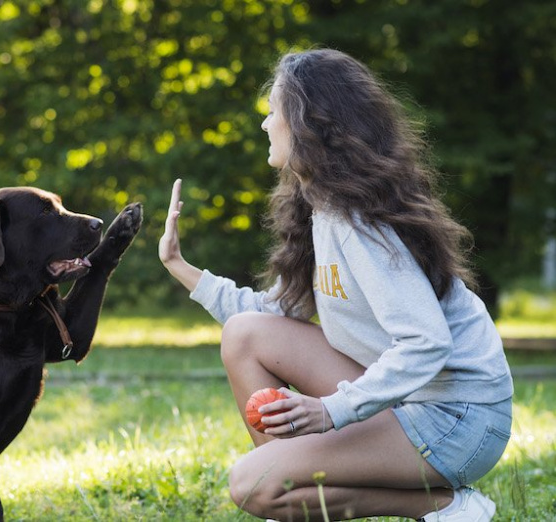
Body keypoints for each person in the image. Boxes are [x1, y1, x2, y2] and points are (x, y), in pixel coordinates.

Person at [158, 49, 513, 521]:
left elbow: (427, 343)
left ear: (308, 123)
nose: (265, 125)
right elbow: (270, 316)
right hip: (410, 401)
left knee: (255, 484)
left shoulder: (357, 222)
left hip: (458, 420)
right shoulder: (320, 209)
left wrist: (333, 411)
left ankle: (446, 505)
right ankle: (292, 482)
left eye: (273, 113)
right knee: (246, 334)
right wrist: (180, 266)